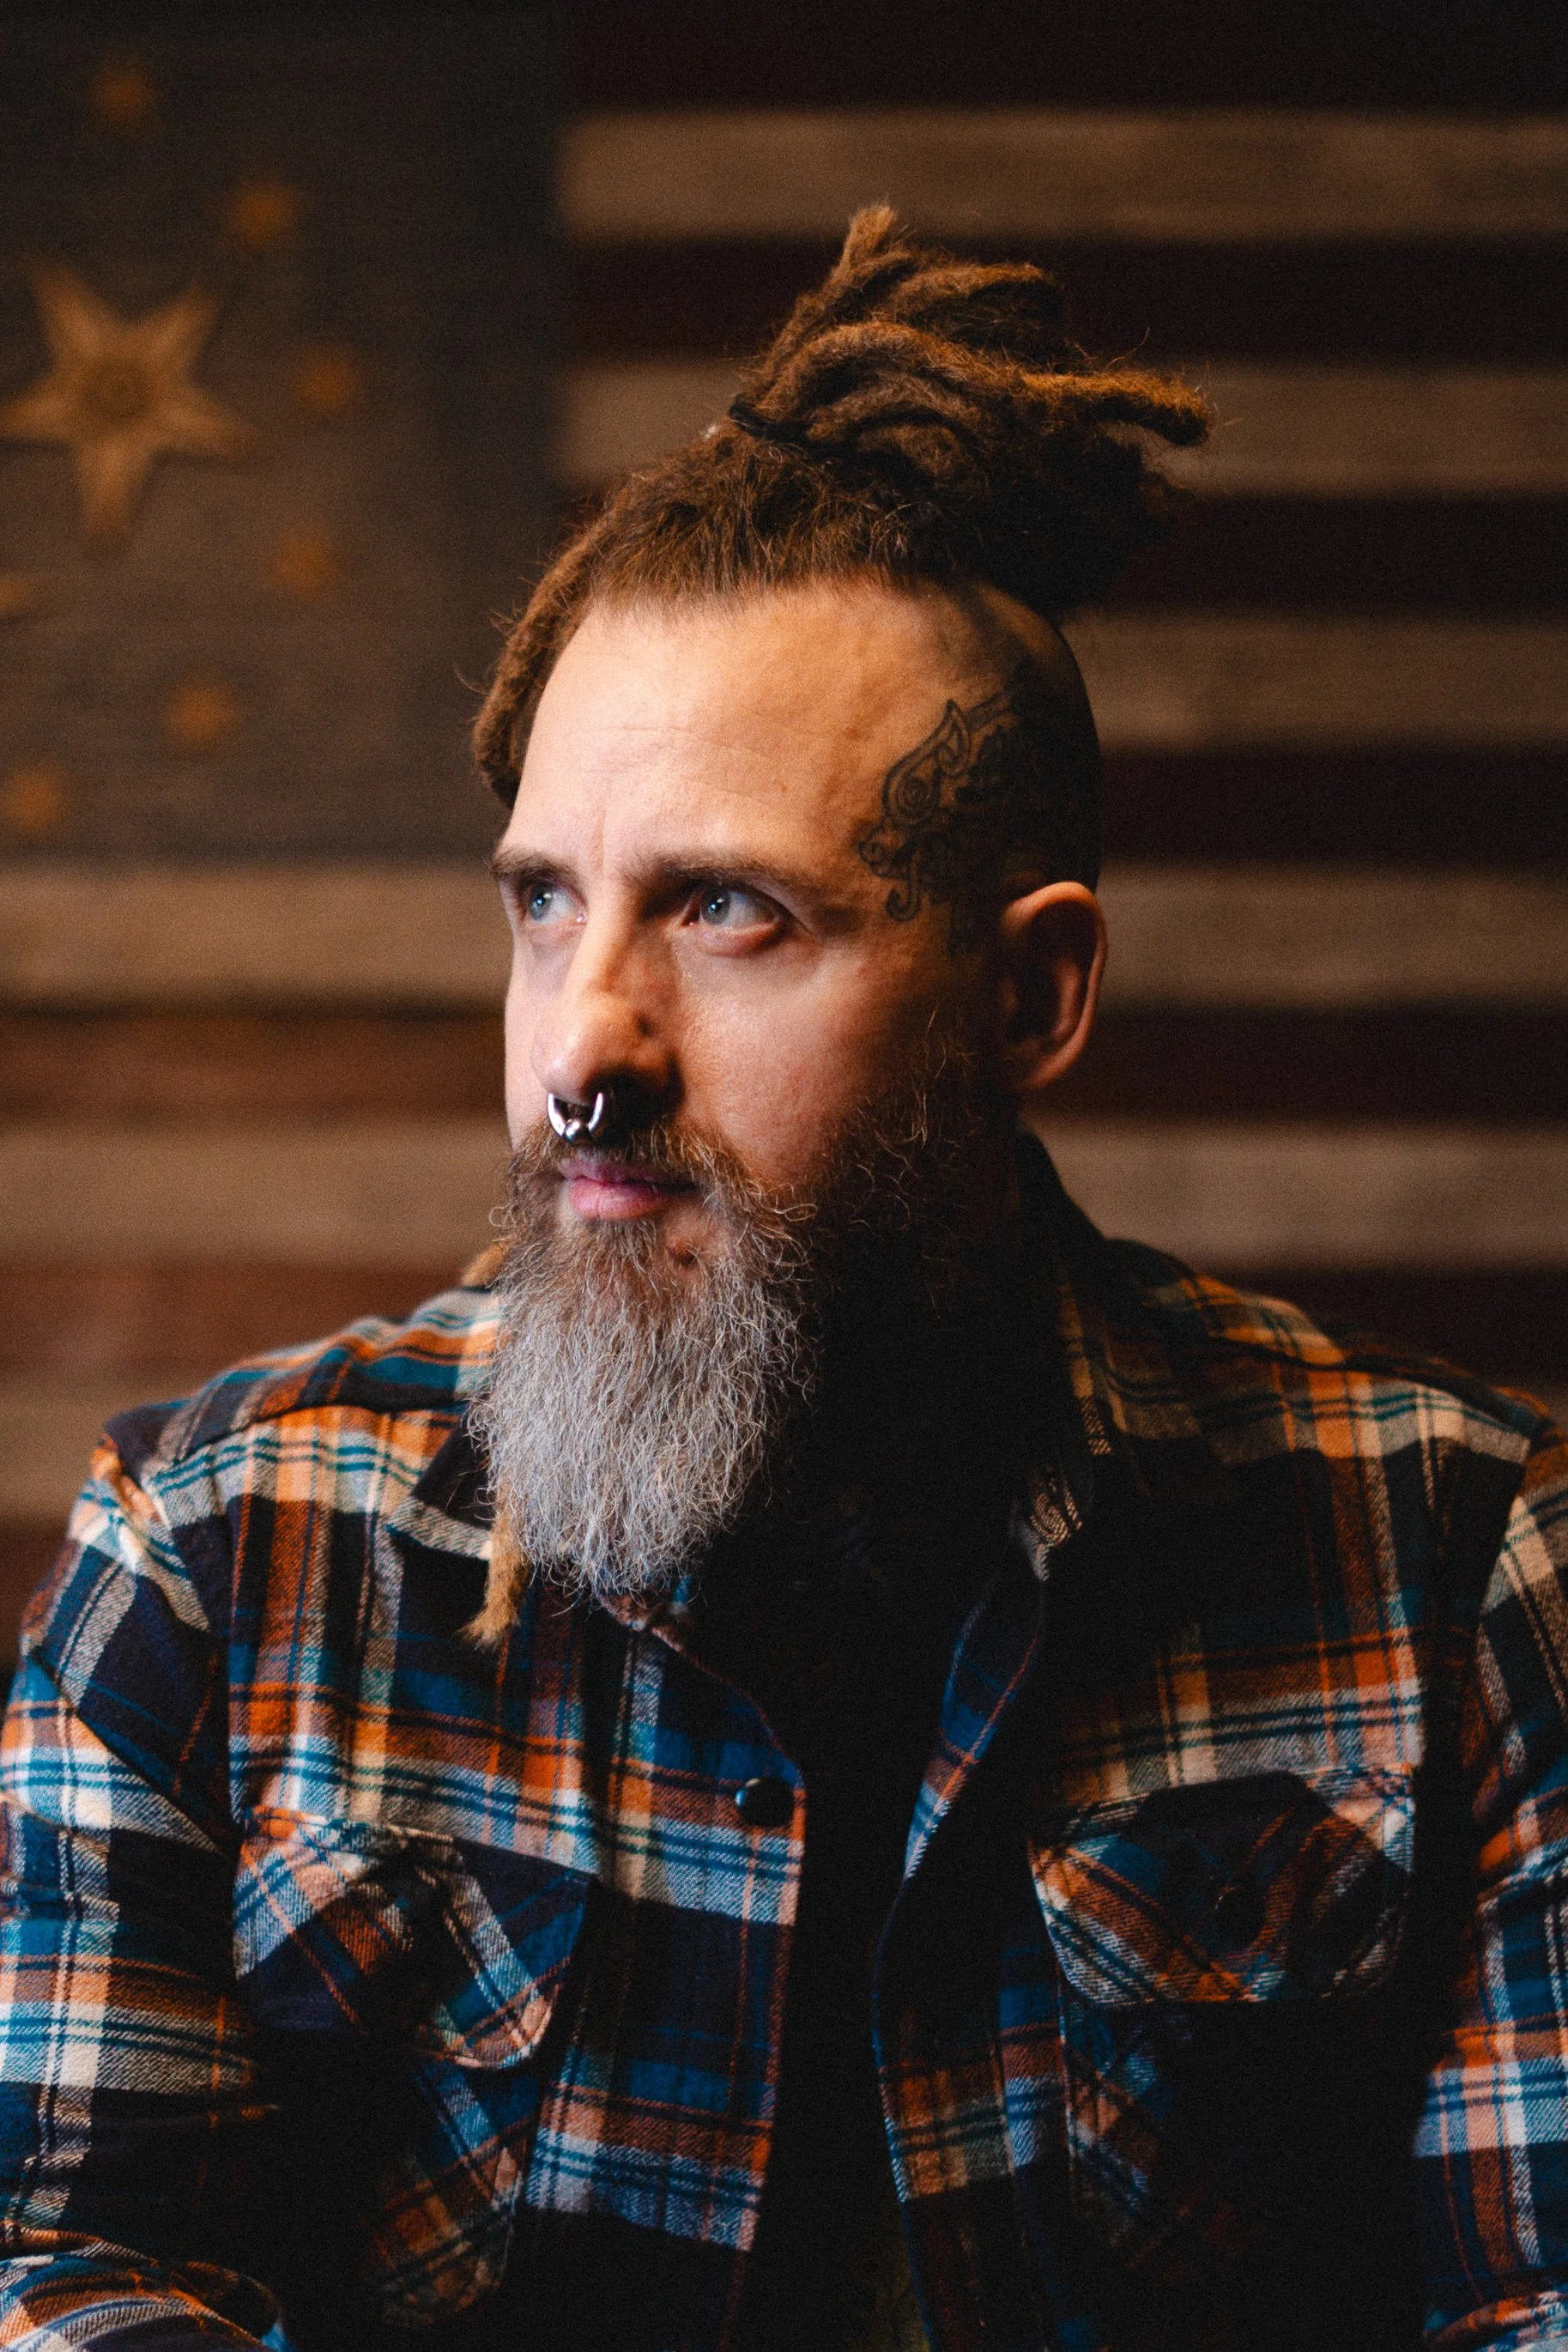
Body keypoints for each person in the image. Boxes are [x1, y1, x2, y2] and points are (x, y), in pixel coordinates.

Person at [0, 209, 1563, 2352]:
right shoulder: (209, 1564)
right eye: (547, 903)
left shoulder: (1459, 1570)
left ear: (1029, 992)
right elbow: (70, 2280)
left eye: (730, 911)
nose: (582, 1049)